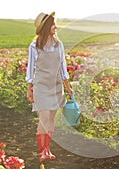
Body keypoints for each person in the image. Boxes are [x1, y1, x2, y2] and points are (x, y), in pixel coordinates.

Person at [25, 11, 73, 166]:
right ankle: (41, 150)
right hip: (41, 87)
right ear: (45, 27)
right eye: (52, 24)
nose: (55, 26)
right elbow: (30, 69)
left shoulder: (59, 45)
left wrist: (68, 87)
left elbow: (62, 68)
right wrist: (29, 89)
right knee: (44, 117)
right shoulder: (34, 46)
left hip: (56, 86)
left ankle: (47, 149)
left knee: (51, 118)